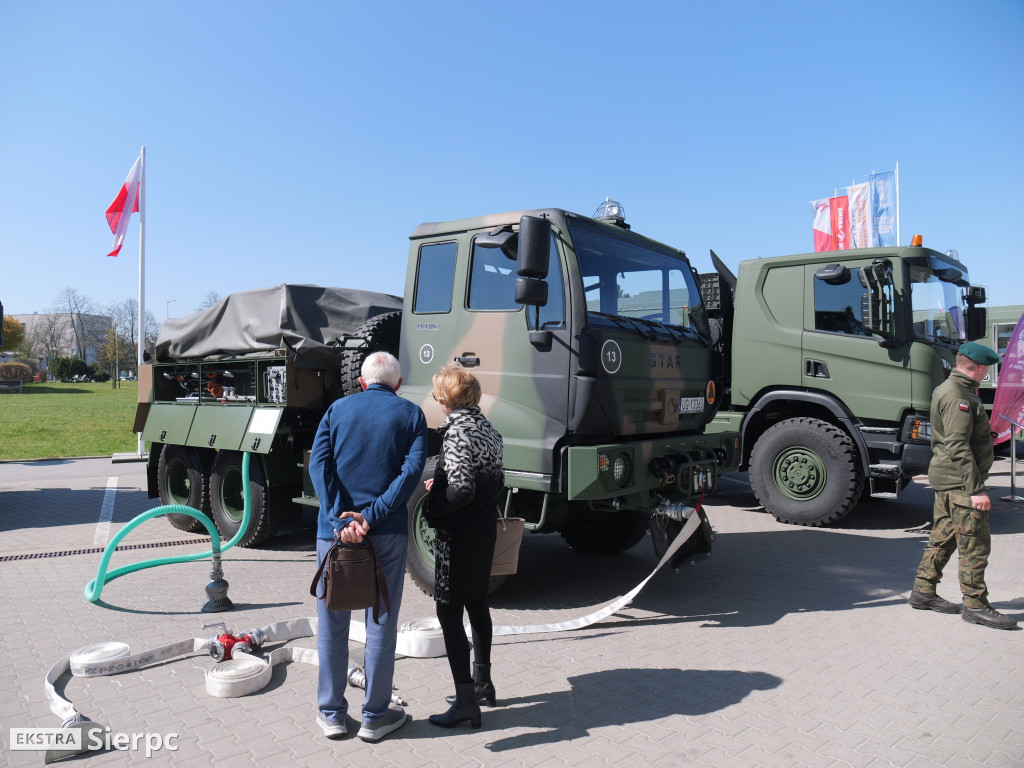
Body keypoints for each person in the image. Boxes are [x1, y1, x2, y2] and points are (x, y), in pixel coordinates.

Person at [308, 351, 428, 740]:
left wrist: (338, 518)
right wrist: (371, 516)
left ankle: (331, 715)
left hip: (334, 534)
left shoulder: (336, 411)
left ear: (361, 382)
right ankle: (376, 717)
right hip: (387, 533)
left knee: (332, 622)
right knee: (381, 621)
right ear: (397, 383)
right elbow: (411, 474)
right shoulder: (412, 415)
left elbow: (318, 466)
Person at [909, 341, 1017, 630]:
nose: (986, 374)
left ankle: (923, 591)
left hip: (947, 479)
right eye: (986, 370)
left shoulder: (947, 388)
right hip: (960, 483)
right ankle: (975, 605)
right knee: (975, 544)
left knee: (944, 536)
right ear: (979, 368)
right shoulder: (959, 395)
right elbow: (957, 444)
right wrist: (976, 490)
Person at [423, 363, 505, 729]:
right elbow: (484, 482)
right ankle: (483, 681)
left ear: (446, 398)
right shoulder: (489, 430)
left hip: (457, 537)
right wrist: (443, 487)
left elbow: (462, 489)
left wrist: (432, 503)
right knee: (478, 602)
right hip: (484, 530)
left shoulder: (456, 433)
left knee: (448, 613)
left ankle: (465, 700)